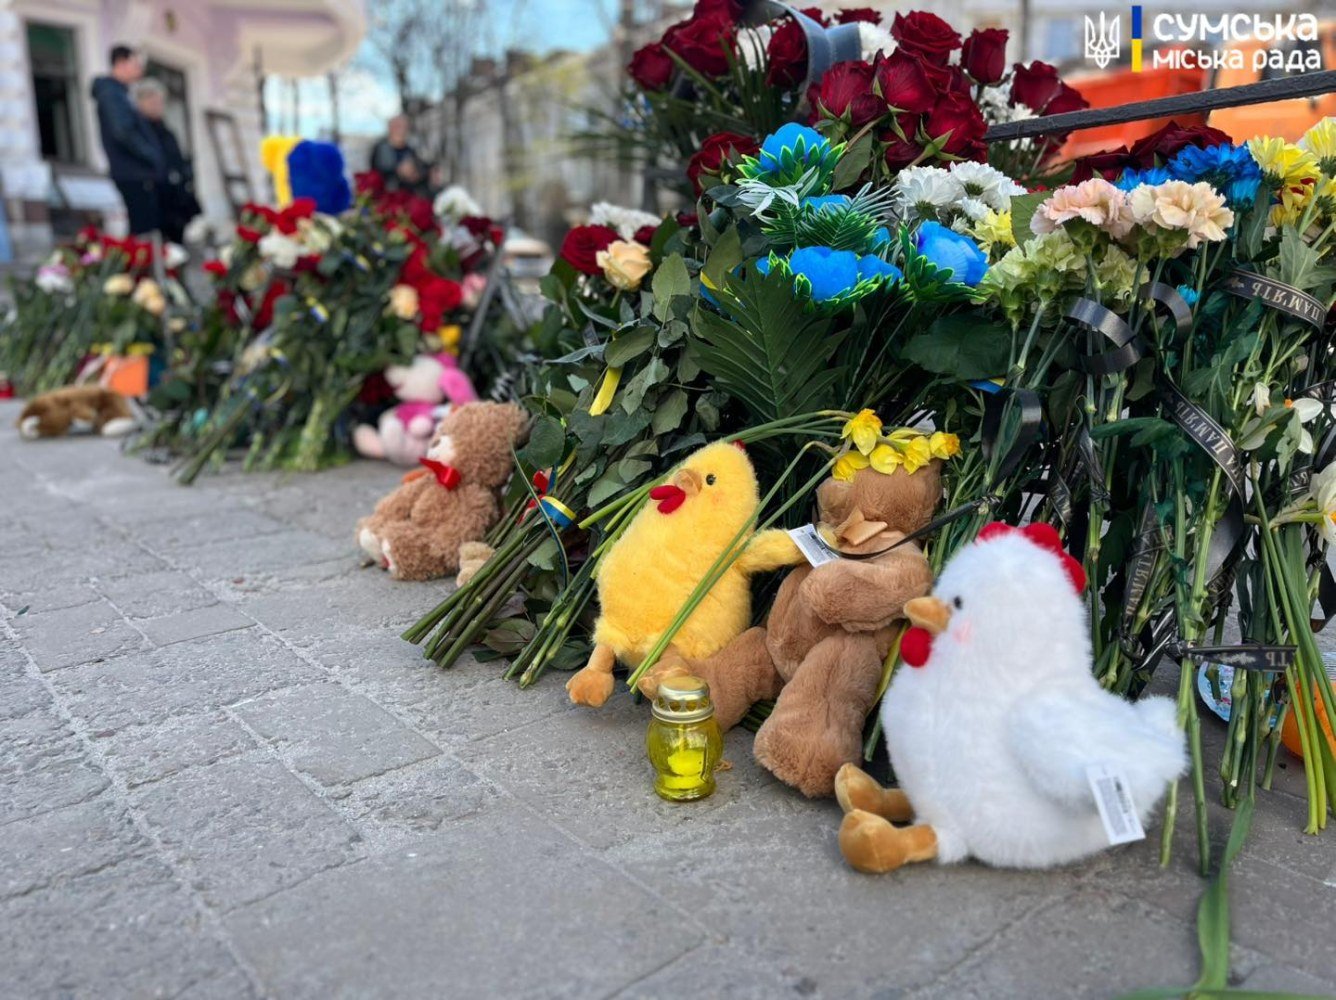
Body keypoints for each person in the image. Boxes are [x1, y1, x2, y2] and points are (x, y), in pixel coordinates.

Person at [91, 45, 164, 235]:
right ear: (121, 63)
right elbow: (123, 132)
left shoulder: (119, 93)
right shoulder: (111, 94)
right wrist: (150, 155)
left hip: (134, 172)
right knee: (141, 230)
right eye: (135, 64)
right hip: (132, 173)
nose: (139, 70)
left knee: (143, 227)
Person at [133, 78, 199, 244]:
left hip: (175, 199)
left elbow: (177, 160)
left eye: (159, 101)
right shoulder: (139, 132)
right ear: (141, 103)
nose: (157, 106)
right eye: (151, 101)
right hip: (153, 198)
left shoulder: (166, 131)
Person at [369, 115, 426, 194]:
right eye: (398, 127)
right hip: (387, 195)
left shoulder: (411, 150)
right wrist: (399, 171)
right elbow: (376, 173)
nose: (402, 130)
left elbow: (420, 172)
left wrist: (416, 174)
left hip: (407, 194)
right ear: (390, 128)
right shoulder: (380, 148)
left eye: (404, 127)